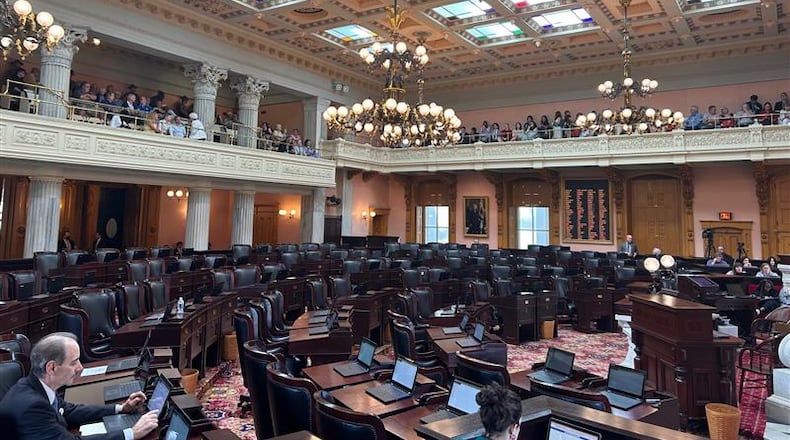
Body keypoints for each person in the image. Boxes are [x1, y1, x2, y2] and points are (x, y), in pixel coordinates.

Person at [0, 332, 158, 440]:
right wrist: (131, 433)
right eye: (74, 362)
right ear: (52, 367)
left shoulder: (36, 385)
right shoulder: (32, 407)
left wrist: (120, 408)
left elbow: (69, 411)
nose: (81, 368)